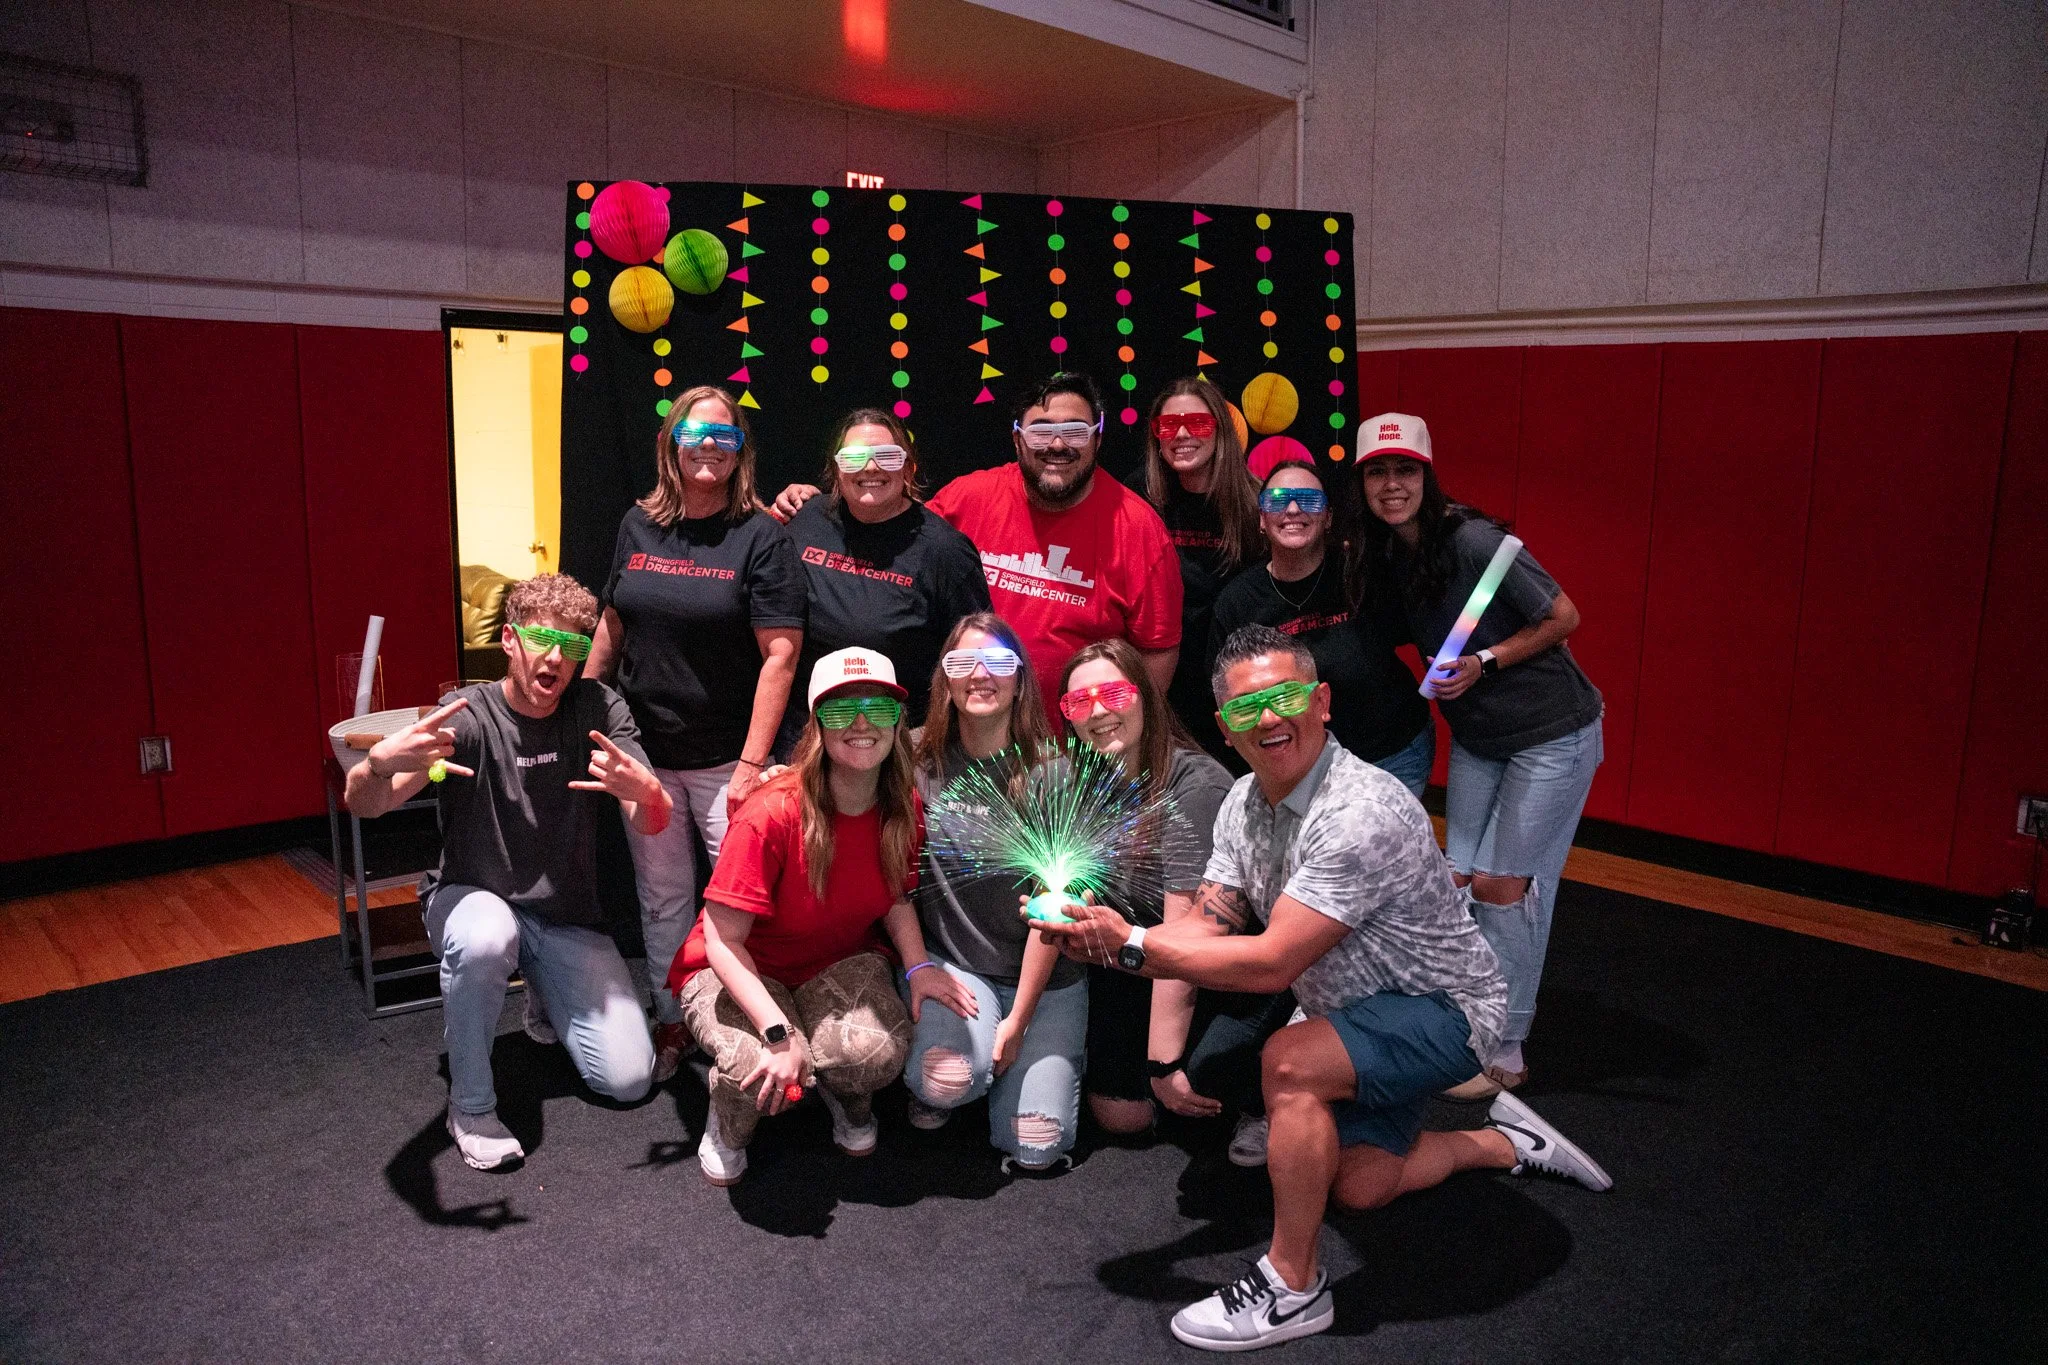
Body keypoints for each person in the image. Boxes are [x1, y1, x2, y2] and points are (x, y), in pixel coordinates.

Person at [1035, 625, 1610, 1352]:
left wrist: (1131, 942)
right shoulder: (1244, 803)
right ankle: (1502, 1141)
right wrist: (1109, 940)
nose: (1271, 719)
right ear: (1225, 726)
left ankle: (1293, 1284)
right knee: (1359, 1186)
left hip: (1448, 1013)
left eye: (1287, 697)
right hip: (1353, 1012)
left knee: (1289, 1061)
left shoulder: (1358, 811)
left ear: (1323, 701)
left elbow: (1273, 962)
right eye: (1248, 708)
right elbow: (1209, 929)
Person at [346, 574, 671, 1172]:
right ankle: (469, 1105)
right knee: (487, 937)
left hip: (561, 914)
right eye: (541, 641)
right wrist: (375, 766)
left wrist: (651, 796)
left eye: (572, 647)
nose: (555, 659)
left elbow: (649, 820)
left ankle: (546, 993)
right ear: (509, 641)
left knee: (629, 1081)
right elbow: (368, 803)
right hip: (476, 898)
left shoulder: (597, 708)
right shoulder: (468, 715)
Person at [1352, 413, 1603, 1094]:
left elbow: (1564, 616)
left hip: (1553, 733)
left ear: (1427, 476)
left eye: (1405, 470)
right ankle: (1462, 1012)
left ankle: (1507, 1045)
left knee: (1505, 886)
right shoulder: (1391, 553)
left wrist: (1485, 661)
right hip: (1480, 737)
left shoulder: (1472, 540)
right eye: (1377, 471)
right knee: (1455, 878)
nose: (1392, 483)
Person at [666, 647, 975, 1186]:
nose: (861, 724)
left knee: (876, 1050)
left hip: (835, 962)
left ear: (898, 720)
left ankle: (844, 1097)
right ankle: (727, 1123)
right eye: (839, 711)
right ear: (816, 727)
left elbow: (898, 896)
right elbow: (721, 941)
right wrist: (779, 1033)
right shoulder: (774, 811)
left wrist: (919, 966)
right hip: (742, 968)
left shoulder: (901, 802)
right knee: (755, 1066)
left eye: (878, 709)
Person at [584, 385, 806, 1084]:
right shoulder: (637, 524)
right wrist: (586, 713)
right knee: (662, 899)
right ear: (670, 445)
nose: (708, 447)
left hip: (725, 762)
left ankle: (770, 1031)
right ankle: (674, 1020)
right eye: (695, 435)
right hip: (646, 755)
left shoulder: (761, 535)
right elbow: (612, 624)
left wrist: (750, 764)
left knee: (744, 906)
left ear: (740, 451)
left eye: (724, 437)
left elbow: (782, 655)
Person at [773, 372, 1184, 718]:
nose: (1057, 445)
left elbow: (1157, 652)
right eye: (1041, 431)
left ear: (1098, 436)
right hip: (974, 738)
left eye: (1074, 431)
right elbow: (892, 518)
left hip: (1080, 742)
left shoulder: (1139, 528)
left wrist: (1124, 731)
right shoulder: (971, 497)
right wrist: (814, 504)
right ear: (1017, 438)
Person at [1054, 639, 1258, 1156]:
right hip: (1130, 963)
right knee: (1120, 1117)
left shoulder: (1195, 784)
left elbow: (1188, 937)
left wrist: (1162, 1062)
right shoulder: (1084, 783)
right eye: (1079, 702)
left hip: (1209, 970)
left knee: (1193, 1094)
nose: (1098, 711)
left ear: (1145, 695)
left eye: (1114, 692)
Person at [905, 613, 1086, 1171]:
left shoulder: (1051, 772)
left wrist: (1018, 1021)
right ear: (945, 679)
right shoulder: (913, 757)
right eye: (964, 663)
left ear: (1020, 678)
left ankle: (998, 1063)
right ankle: (963, 1074)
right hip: (958, 967)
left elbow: (1053, 910)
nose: (980, 675)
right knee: (944, 1082)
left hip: (1045, 980)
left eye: (999, 662)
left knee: (1037, 1145)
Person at [1208, 458, 1435, 798]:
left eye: (1310, 500)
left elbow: (1420, 617)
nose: (1294, 509)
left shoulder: (1361, 571)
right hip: (1299, 770)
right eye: (1279, 500)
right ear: (1261, 518)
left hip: (1393, 754)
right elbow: (1226, 695)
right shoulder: (1238, 602)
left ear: (1328, 517)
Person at [778, 407, 990, 755]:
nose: (871, 467)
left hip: (898, 750)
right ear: (836, 469)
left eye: (887, 456)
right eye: (855, 457)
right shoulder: (806, 519)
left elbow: (976, 657)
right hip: (805, 743)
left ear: (908, 467)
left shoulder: (945, 551)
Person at [1143, 378, 1261, 763]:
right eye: (1168, 425)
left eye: (1197, 423)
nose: (1180, 434)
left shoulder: (1256, 502)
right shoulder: (1141, 499)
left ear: (1220, 430)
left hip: (1239, 688)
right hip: (1166, 688)